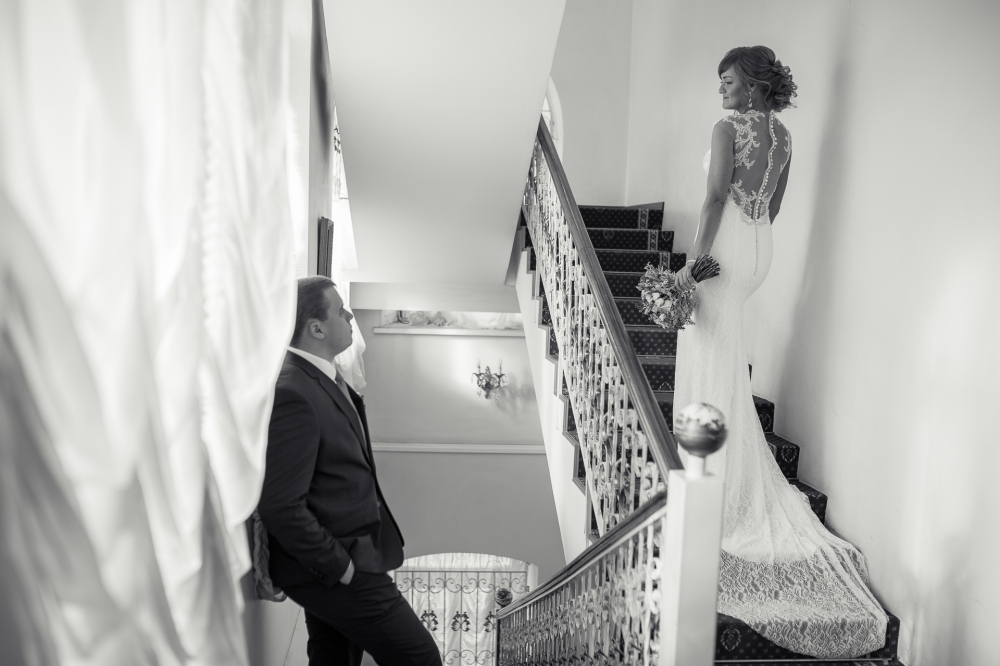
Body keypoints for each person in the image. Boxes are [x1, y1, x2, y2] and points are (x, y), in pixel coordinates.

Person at [672, 46, 888, 658]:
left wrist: (692, 264)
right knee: (722, 350)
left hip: (723, 248)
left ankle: (710, 476)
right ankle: (717, 462)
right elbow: (774, 205)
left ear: (752, 83)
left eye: (728, 80)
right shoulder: (785, 137)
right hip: (758, 249)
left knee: (708, 353)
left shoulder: (726, 129)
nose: (721, 90)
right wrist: (745, 247)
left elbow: (714, 197)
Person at [258, 276, 441, 666]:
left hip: (351, 554)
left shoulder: (324, 377)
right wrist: (339, 566)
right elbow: (280, 505)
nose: (351, 316)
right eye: (341, 311)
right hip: (335, 564)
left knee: (333, 658)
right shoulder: (293, 390)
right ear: (316, 328)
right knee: (421, 657)